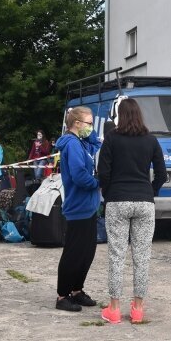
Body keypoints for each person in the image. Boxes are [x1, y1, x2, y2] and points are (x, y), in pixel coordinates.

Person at [97, 98, 167, 324]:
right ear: (139, 115)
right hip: (144, 201)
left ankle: (114, 309)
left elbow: (103, 173)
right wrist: (150, 191)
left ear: (119, 116)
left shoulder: (111, 139)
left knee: (117, 256)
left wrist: (109, 195)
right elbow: (162, 174)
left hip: (118, 199)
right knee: (142, 256)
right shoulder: (151, 140)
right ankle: (137, 309)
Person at [55, 106, 102, 313]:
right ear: (76, 124)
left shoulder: (82, 143)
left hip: (90, 206)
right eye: (89, 123)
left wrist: (91, 136)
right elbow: (79, 175)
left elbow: (95, 146)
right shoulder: (72, 145)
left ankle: (77, 289)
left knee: (87, 252)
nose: (92, 127)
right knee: (74, 253)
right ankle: (62, 295)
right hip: (78, 206)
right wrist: (98, 183)